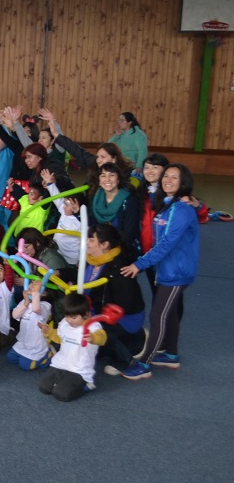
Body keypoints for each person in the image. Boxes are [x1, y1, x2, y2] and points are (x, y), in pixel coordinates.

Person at [119, 164, 199, 380]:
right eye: (167, 176)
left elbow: (165, 244)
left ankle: (145, 364)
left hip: (176, 273)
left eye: (175, 177)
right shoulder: (168, 204)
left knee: (158, 315)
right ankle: (171, 355)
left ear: (184, 183)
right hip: (166, 270)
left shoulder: (181, 209)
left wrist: (139, 264)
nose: (168, 180)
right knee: (169, 313)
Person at [83, 223, 146, 375]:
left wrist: (94, 317)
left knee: (98, 329)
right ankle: (109, 347)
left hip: (124, 316)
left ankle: (127, 362)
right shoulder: (93, 260)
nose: (87, 243)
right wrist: (59, 273)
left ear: (105, 245)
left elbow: (124, 302)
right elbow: (79, 277)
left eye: (91, 240)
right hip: (98, 309)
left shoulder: (119, 268)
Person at [38, 293, 106, 401]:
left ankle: (87, 386)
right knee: (44, 388)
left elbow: (102, 338)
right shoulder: (65, 323)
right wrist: (49, 331)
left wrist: (93, 338)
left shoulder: (93, 326)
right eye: (66, 316)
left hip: (79, 369)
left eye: (73, 317)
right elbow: (60, 338)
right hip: (61, 363)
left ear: (86, 315)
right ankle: (64, 380)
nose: (69, 320)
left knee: (61, 395)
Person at [6, 282, 54, 371]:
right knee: (10, 358)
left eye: (36, 286)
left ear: (44, 293)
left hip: (36, 344)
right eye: (31, 283)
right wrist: (25, 303)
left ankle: (47, 355)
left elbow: (36, 309)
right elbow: (15, 315)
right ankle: (25, 355)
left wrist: (35, 293)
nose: (31, 286)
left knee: (24, 366)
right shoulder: (24, 301)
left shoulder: (45, 305)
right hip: (24, 341)